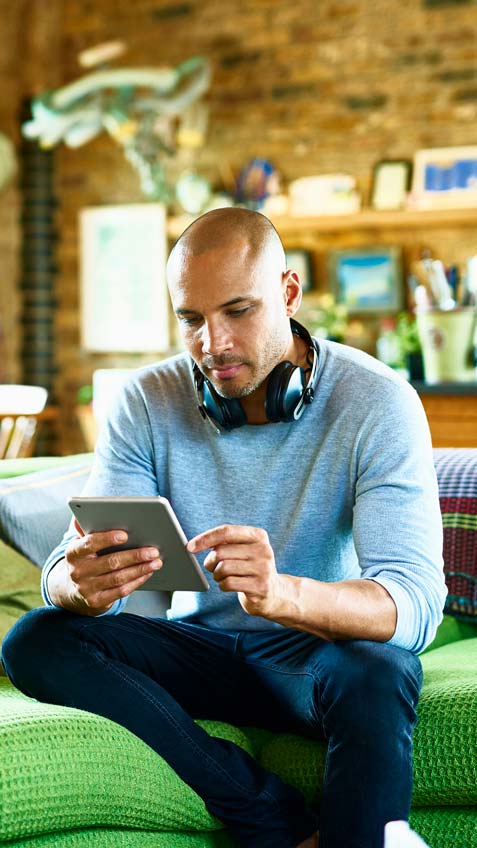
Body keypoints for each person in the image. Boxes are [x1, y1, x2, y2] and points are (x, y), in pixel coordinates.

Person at [2, 208, 447, 848]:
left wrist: (282, 593)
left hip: (313, 655)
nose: (213, 343)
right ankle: (272, 818)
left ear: (289, 294)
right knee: (38, 638)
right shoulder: (144, 399)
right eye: (191, 319)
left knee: (380, 671)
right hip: (201, 651)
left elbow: (416, 604)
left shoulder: (377, 401)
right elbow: (74, 566)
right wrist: (78, 584)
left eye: (238, 310)